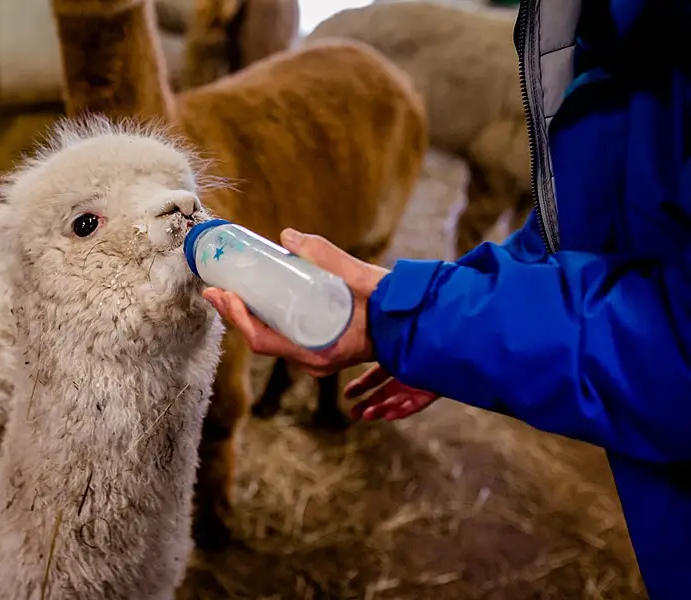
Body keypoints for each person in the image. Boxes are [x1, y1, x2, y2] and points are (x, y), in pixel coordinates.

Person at [201, 1, 691, 598]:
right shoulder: (616, 28)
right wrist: (446, 321)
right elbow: (594, 220)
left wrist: (426, 320)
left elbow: (677, 346)